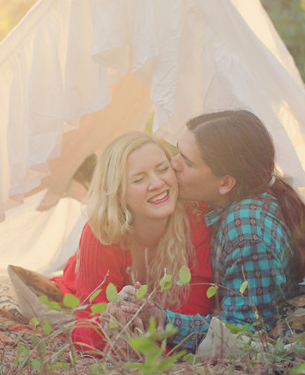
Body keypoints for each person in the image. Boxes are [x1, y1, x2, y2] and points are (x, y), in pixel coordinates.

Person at [121, 110, 305, 350]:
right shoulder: (236, 199)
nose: (173, 165)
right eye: (177, 151)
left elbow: (249, 336)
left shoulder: (246, 231)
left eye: (188, 162)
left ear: (226, 183)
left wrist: (162, 320)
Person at [11, 131, 214, 354]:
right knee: (59, 306)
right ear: (118, 194)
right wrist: (109, 321)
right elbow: (86, 331)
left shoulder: (195, 217)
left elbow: (196, 314)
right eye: (139, 179)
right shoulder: (101, 234)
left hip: (154, 309)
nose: (157, 183)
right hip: (80, 280)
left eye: (163, 169)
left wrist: (150, 346)